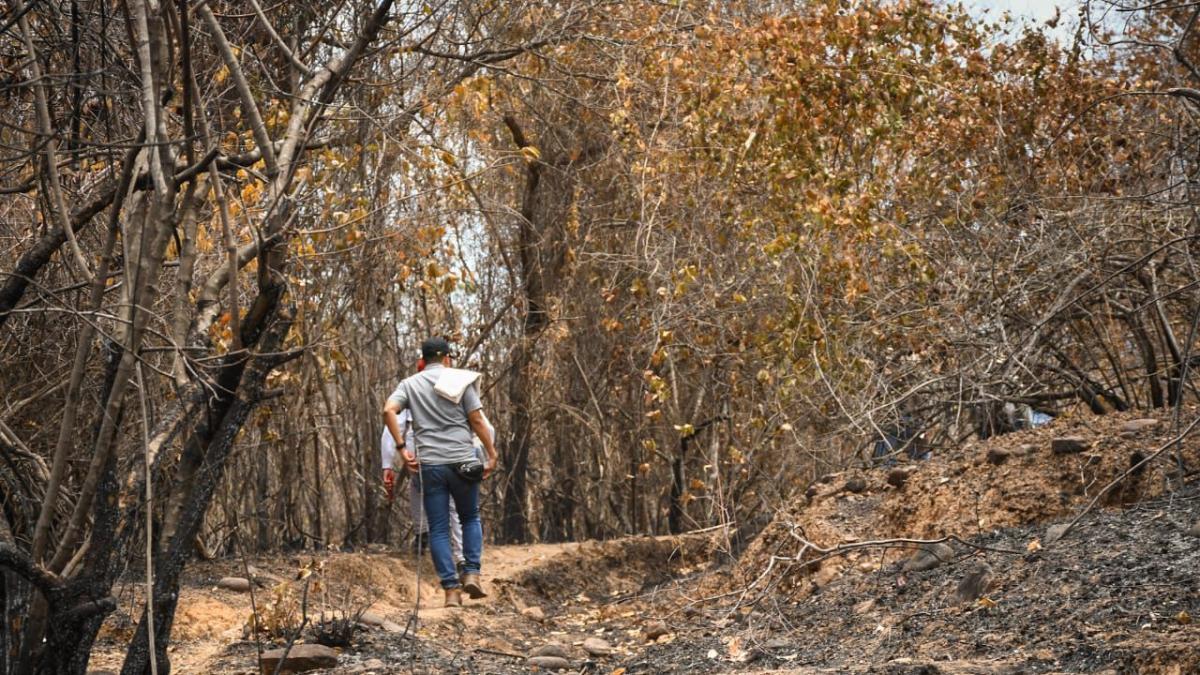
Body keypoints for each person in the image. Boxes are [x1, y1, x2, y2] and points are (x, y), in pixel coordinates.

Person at [382, 337, 498, 607]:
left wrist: (402, 450)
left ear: (423, 360)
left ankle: (450, 591)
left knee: (438, 529)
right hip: (462, 463)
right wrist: (491, 454)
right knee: (469, 517)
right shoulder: (460, 381)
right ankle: (471, 572)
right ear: (447, 358)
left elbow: (389, 410)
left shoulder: (409, 384)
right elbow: (477, 420)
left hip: (430, 465)